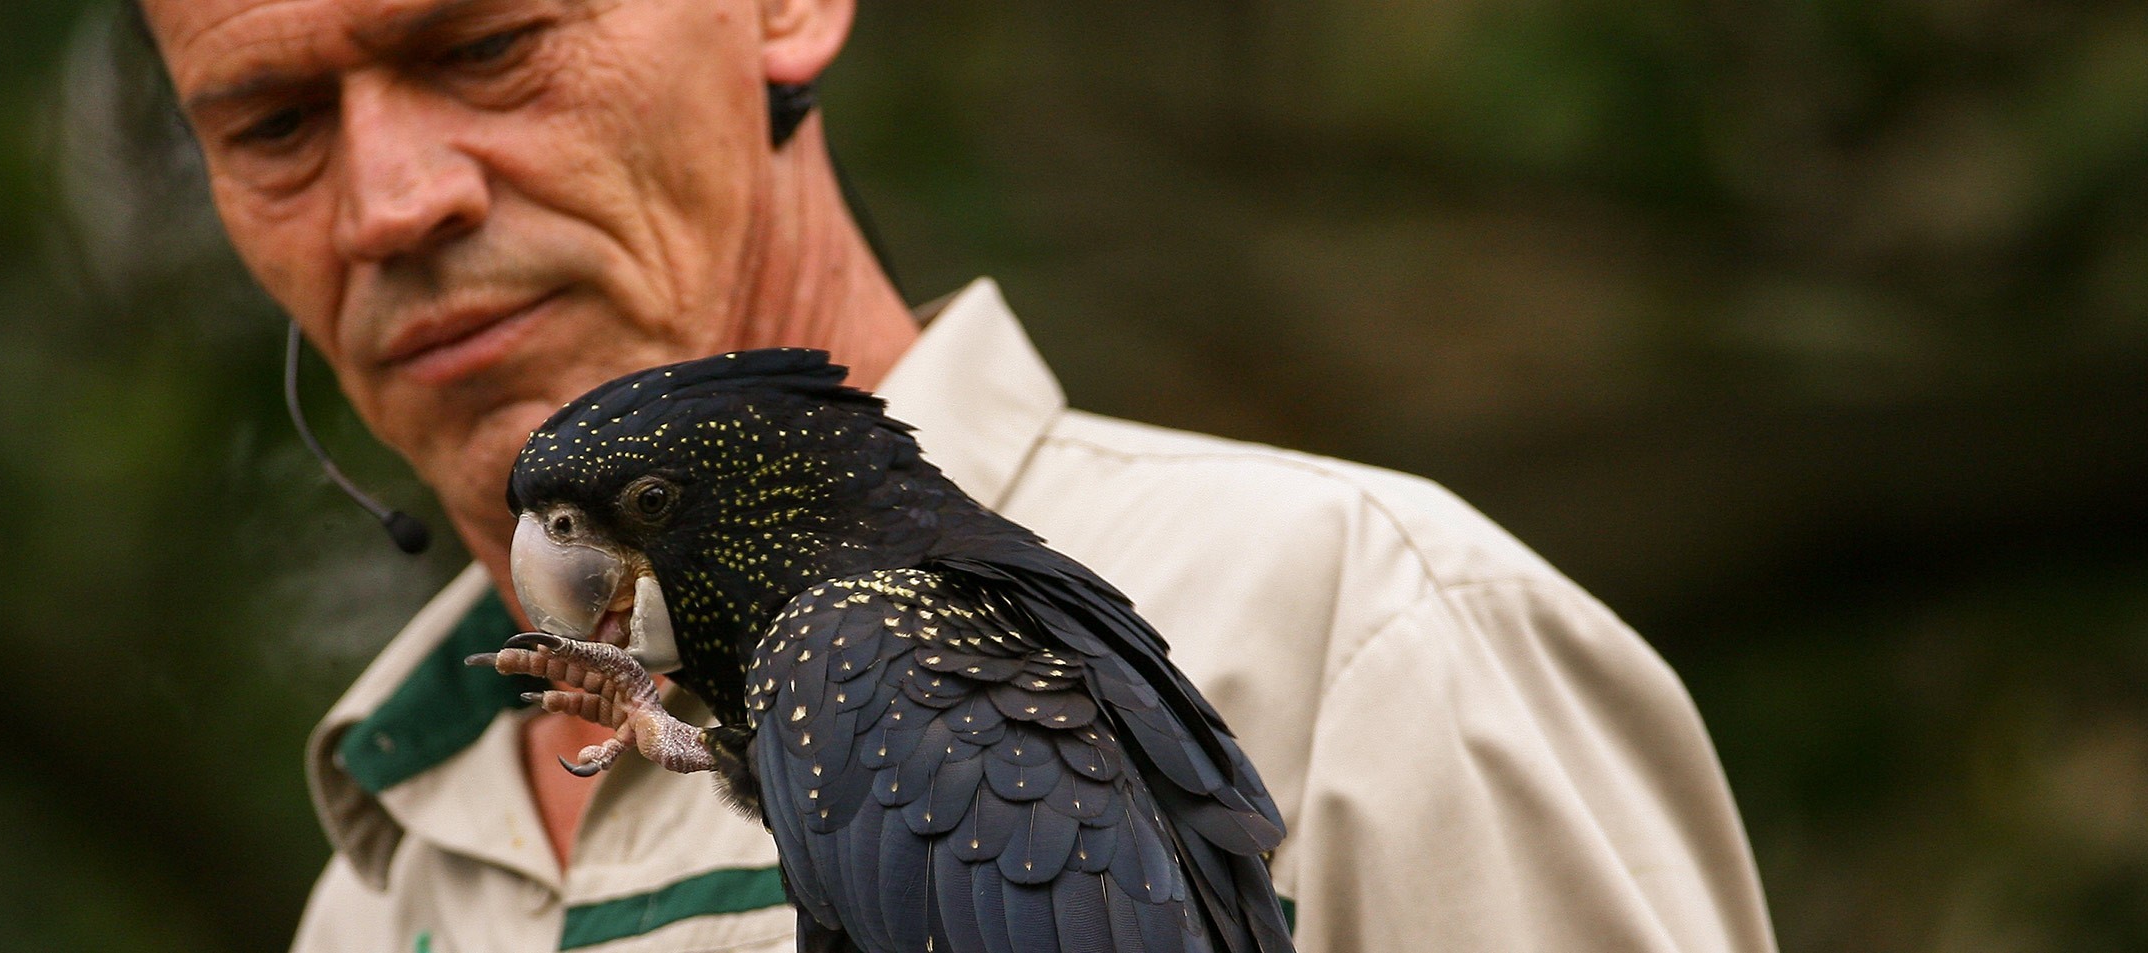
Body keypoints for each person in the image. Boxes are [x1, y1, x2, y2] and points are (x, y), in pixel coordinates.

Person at [135, 0, 1780, 950]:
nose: (391, 201)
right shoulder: (383, 872)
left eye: (491, 42)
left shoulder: (1364, 628)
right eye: (273, 126)